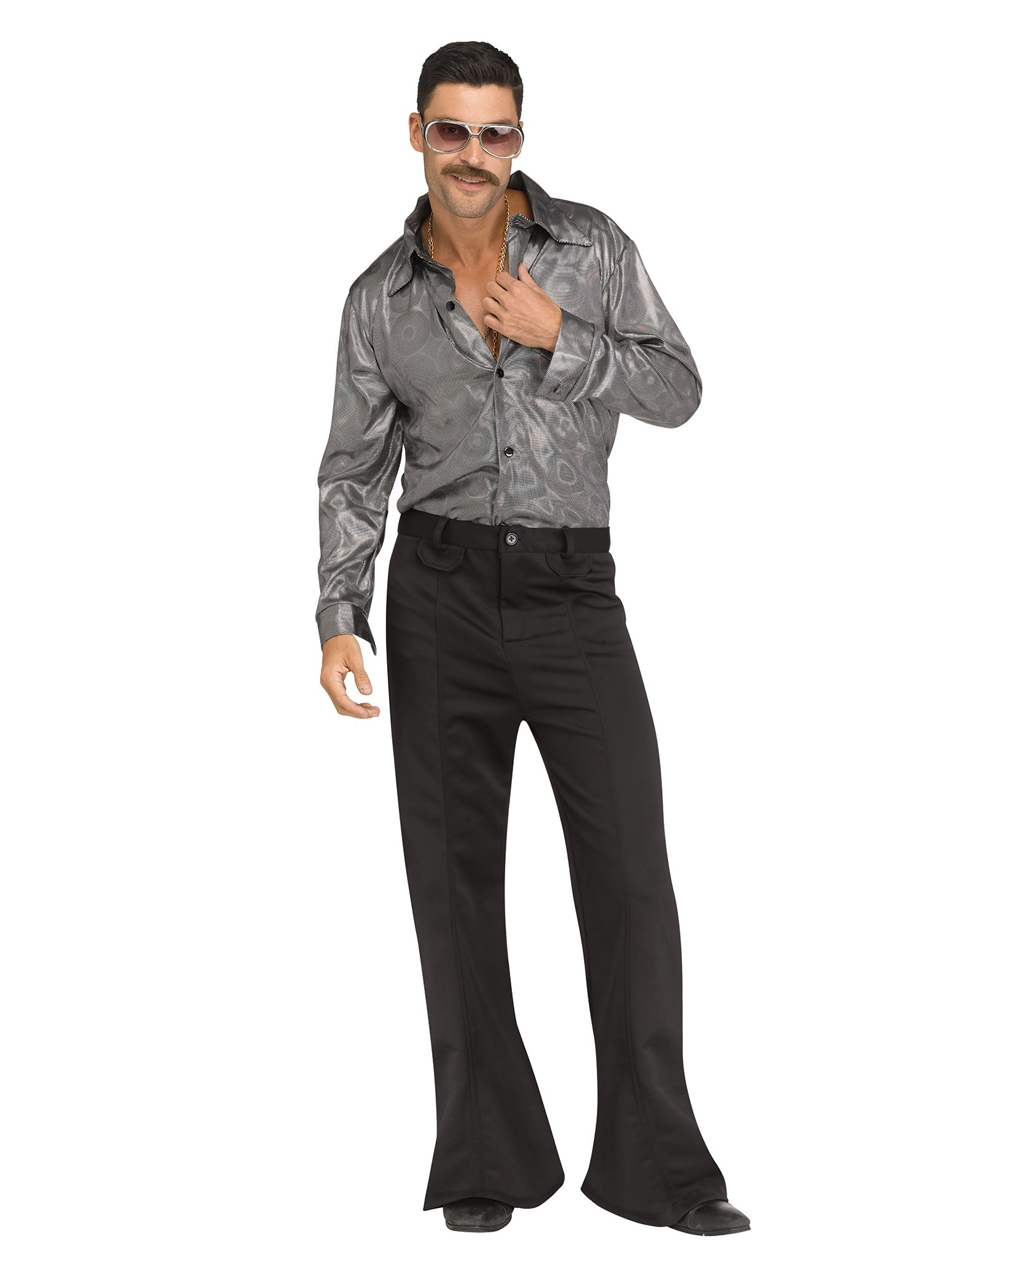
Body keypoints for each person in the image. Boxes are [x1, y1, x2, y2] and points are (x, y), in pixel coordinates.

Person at [316, 40, 750, 1238]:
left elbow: (678, 389)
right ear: (417, 135)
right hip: (438, 593)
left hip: (570, 593)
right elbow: (355, 468)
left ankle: (658, 1166)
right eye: (451, 131)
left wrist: (564, 334)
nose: (473, 154)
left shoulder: (590, 250)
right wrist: (339, 613)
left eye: (494, 131)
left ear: (520, 138)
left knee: (630, 878)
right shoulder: (378, 299)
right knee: (451, 881)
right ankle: (483, 1153)